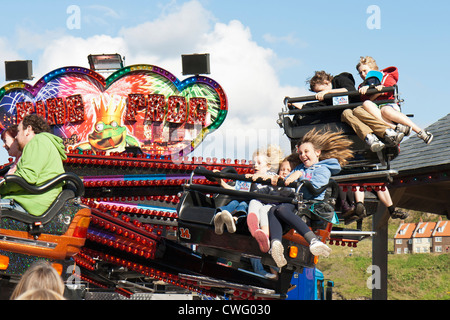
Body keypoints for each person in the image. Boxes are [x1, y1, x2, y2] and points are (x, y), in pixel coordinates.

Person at [268, 128, 353, 268]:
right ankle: (276, 245)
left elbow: (316, 187)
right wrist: (279, 178)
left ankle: (313, 240)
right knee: (273, 210)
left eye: (306, 152)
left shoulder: (323, 169)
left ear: (317, 152)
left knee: (282, 209)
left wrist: (299, 176)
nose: (303, 155)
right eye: (300, 153)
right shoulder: (301, 167)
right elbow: (288, 182)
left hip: (312, 204)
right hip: (298, 201)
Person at [0, 114, 67, 216]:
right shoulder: (44, 143)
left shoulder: (38, 141)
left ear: (28, 130)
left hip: (29, 204)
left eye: (18, 131)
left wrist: (2, 187)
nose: (17, 137)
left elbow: (26, 178)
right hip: (33, 202)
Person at [356, 56, 433, 144]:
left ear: (373, 69)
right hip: (374, 110)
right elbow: (365, 100)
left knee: (385, 110)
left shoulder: (385, 77)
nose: (363, 74)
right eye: (360, 73)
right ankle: (396, 128)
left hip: (388, 105)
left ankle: (420, 132)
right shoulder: (362, 86)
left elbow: (390, 86)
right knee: (366, 104)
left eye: (365, 71)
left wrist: (379, 90)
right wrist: (372, 90)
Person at [246, 153, 300, 253]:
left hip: (276, 206)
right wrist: (255, 183)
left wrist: (279, 184)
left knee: (264, 209)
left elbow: (288, 193)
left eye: (288, 171)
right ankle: (254, 228)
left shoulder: (292, 184)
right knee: (254, 201)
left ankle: (265, 235)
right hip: (267, 202)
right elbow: (263, 192)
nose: (284, 172)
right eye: (282, 169)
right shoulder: (274, 179)